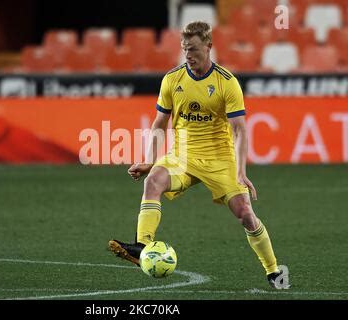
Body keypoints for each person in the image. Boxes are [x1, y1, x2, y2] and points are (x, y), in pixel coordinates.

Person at [108, 21, 289, 289]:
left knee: (245, 213)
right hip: (182, 156)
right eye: (184, 50)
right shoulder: (172, 79)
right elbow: (159, 124)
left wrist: (241, 172)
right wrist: (149, 159)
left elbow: (240, 131)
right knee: (153, 180)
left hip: (220, 159)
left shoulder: (227, 83)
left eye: (193, 49)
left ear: (209, 46)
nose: (188, 55)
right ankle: (143, 247)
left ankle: (274, 271)